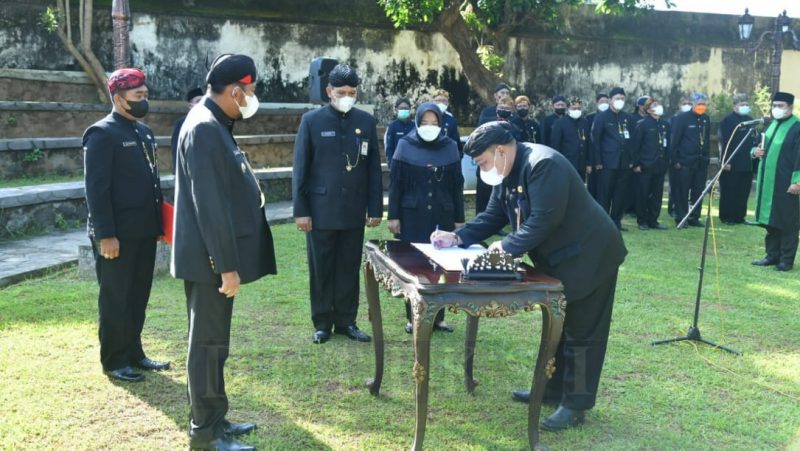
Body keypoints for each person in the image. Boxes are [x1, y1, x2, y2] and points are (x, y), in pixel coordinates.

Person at [430, 121, 626, 431]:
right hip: (561, 260)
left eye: (482, 162)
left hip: (591, 256)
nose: (482, 169)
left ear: (501, 151)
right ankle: (550, 390)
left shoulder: (543, 165)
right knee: (558, 328)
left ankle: (575, 405)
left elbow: (541, 222)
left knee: (583, 331)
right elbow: (493, 216)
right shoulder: (507, 172)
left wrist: (499, 251)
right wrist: (457, 237)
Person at [172, 53, 277, 451]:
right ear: (235, 90)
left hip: (210, 260)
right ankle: (205, 433)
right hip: (208, 262)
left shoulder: (214, 123)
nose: (252, 98)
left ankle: (216, 418)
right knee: (207, 345)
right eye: (249, 91)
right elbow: (209, 206)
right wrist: (226, 267)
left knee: (215, 344)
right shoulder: (204, 128)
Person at [83, 68, 170, 383]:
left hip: (143, 230)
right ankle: (114, 360)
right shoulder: (101, 134)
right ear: (118, 98)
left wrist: (159, 224)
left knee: (137, 294)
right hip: (116, 235)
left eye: (145, 95)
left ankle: (134, 352)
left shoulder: (143, 132)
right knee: (116, 297)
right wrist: (106, 235)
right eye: (138, 96)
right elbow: (96, 190)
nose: (144, 100)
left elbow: (153, 183)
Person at [293, 64, 383, 344]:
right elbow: (301, 169)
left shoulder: (365, 122)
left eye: (352, 92)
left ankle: (346, 321)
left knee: (348, 266)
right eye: (341, 91)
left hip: (353, 209)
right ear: (329, 91)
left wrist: (375, 208)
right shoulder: (312, 121)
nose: (347, 96)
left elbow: (373, 170)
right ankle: (322, 322)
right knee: (322, 268)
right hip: (320, 210)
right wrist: (301, 211)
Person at [388, 102, 465, 333]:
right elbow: (396, 185)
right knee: (413, 266)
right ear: (417, 122)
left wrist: (459, 219)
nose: (429, 127)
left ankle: (438, 318)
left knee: (440, 267)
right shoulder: (404, 145)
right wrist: (393, 216)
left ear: (441, 125)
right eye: (424, 123)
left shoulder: (450, 146)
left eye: (434, 123)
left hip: (442, 215)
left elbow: (457, 185)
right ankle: (413, 317)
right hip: (412, 216)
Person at [751, 91, 800, 272]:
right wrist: (754, 152)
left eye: (781, 106)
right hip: (768, 183)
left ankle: (786, 260)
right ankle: (772, 255)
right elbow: (756, 145)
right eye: (774, 105)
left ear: (790, 108)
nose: (776, 109)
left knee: (787, 222)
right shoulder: (770, 126)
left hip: (786, 181)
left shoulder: (797, 128)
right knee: (771, 221)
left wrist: (797, 181)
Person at [591, 86, 634, 230]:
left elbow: (632, 140)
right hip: (607, 163)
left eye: (622, 98)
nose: (620, 101)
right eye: (617, 98)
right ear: (610, 100)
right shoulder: (601, 117)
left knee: (620, 194)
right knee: (605, 194)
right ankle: (603, 223)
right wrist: (597, 162)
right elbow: (595, 141)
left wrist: (631, 160)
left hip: (624, 163)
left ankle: (616, 221)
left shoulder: (627, 118)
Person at [476, 96, 526, 214]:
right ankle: (481, 217)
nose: (504, 109)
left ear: (512, 111)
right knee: (484, 193)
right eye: (501, 107)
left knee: (501, 194)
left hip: (504, 166)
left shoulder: (514, 128)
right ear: (497, 108)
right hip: (487, 163)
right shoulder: (486, 125)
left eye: (507, 108)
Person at [670, 92, 711, 228]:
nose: (701, 107)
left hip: (700, 161)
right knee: (682, 190)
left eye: (704, 104)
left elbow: (706, 141)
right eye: (699, 104)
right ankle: (681, 216)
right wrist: (675, 160)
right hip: (684, 161)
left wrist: (706, 158)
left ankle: (694, 216)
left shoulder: (706, 119)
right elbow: (674, 140)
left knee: (698, 191)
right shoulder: (682, 118)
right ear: (693, 104)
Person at [630, 98, 670, 230]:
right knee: (643, 194)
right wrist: (636, 164)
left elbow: (667, 145)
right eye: (654, 105)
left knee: (657, 194)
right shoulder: (642, 124)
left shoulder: (665, 124)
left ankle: (653, 220)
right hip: (645, 165)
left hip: (660, 164)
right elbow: (635, 146)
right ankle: (642, 220)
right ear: (648, 109)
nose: (658, 107)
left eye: (658, 104)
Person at [718, 93, 758, 225]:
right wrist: (725, 161)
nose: (745, 107)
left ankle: (740, 216)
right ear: (735, 106)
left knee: (743, 190)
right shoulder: (727, 121)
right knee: (730, 190)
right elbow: (723, 142)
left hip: (747, 162)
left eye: (746, 104)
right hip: (732, 162)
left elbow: (754, 140)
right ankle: (727, 216)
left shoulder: (750, 120)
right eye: (742, 105)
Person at [550, 96, 590, 180]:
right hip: (567, 164)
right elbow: (555, 145)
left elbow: (589, 144)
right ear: (568, 109)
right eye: (574, 108)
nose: (577, 110)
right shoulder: (560, 123)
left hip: (582, 165)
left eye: (579, 108)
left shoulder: (585, 122)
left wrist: (589, 163)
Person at [171, 86, 204, 172]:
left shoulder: (210, 121)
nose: (201, 104)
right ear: (190, 105)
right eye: (198, 101)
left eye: (203, 101)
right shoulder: (181, 123)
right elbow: (176, 149)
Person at [585, 93, 609, 198]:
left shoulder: (612, 117)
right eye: (601, 102)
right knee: (592, 185)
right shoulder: (589, 118)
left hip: (608, 157)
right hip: (593, 157)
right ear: (596, 103)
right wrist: (589, 162)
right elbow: (588, 139)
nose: (604, 104)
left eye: (606, 102)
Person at [384, 97, 415, 168]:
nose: (403, 110)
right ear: (396, 109)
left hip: (412, 164)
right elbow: (389, 148)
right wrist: (391, 165)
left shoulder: (414, 126)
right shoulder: (392, 126)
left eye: (406, 108)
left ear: (410, 109)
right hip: (397, 164)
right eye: (401, 108)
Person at [432, 88, 463, 156]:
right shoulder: (427, 116)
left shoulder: (451, 120)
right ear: (433, 102)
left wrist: (459, 155)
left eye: (444, 101)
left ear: (448, 103)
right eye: (438, 100)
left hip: (446, 156)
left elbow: (456, 142)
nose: (441, 103)